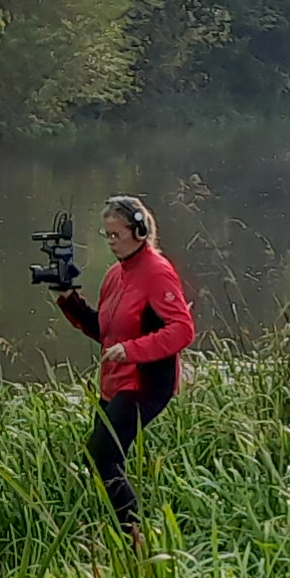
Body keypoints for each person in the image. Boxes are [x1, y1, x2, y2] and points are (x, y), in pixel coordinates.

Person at [53, 193, 195, 530]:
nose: (111, 242)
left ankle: (135, 537)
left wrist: (133, 350)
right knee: (98, 456)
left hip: (145, 384)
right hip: (116, 381)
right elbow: (106, 330)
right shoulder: (115, 276)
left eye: (117, 235)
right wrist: (67, 300)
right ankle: (124, 531)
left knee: (104, 456)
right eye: (108, 235)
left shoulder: (157, 273)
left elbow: (182, 330)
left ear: (140, 230)